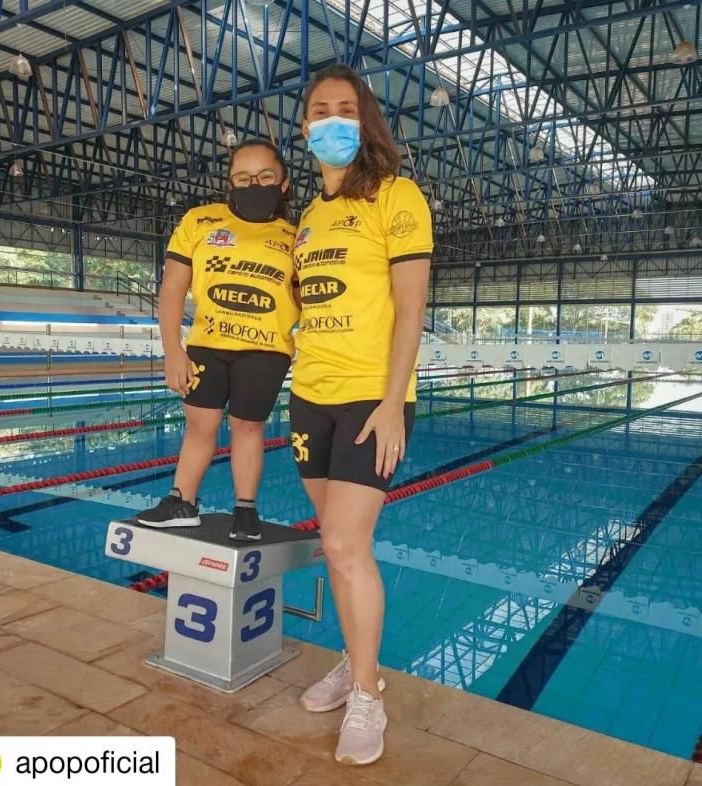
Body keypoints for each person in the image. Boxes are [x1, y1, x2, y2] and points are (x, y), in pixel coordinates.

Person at [290, 64, 433, 765]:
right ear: (305, 126)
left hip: (368, 398)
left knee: (345, 547)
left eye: (347, 107)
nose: (334, 118)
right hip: (308, 394)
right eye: (322, 109)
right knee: (340, 546)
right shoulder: (309, 217)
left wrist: (394, 402)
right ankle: (353, 660)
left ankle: (368, 693)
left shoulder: (397, 196)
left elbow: (411, 307)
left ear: (366, 119)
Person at [137, 139, 299, 541]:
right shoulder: (200, 220)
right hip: (208, 343)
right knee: (199, 426)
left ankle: (245, 510)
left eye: (264, 177)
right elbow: (172, 288)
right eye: (242, 178)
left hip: (266, 350)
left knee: (247, 428)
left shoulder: (296, 236)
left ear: (283, 183)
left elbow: (307, 299)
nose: (253, 184)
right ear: (229, 183)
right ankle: (182, 502)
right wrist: (173, 350)